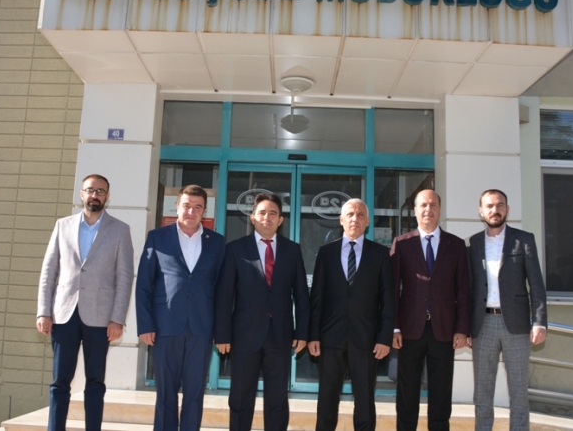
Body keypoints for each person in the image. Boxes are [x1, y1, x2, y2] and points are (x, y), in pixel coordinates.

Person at [36, 174, 134, 431]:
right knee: (60, 382)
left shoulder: (120, 230)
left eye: (100, 191)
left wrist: (117, 318)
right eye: (90, 190)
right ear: (82, 194)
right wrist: (43, 312)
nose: (95, 195)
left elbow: (124, 278)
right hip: (63, 315)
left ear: (107, 197)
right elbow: (49, 272)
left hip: (100, 318)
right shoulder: (63, 226)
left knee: (95, 383)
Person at [214, 192, 310, 431]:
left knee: (277, 399)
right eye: (262, 212)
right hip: (244, 336)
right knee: (240, 397)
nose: (267, 217)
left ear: (280, 220)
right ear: (253, 217)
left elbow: (301, 294)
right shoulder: (235, 249)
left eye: (273, 213)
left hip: (280, 335)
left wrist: (302, 332)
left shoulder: (292, 250)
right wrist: (222, 333)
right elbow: (224, 295)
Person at [135, 185, 226, 431]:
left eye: (197, 207)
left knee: (195, 393)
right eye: (186, 205)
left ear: (204, 211)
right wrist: (145, 324)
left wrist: (220, 329)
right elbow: (143, 284)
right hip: (164, 326)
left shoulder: (217, 242)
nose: (191, 211)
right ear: (177, 206)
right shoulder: (157, 237)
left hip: (201, 328)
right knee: (166, 392)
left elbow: (222, 290)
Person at [308, 199, 395, 431]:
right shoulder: (326, 253)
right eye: (350, 214)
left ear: (367, 221)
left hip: (366, 339)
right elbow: (317, 298)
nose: (355, 219)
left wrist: (385, 337)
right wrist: (313, 335)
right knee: (327, 399)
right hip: (330, 338)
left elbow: (388, 299)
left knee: (365, 399)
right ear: (341, 220)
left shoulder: (380, 254)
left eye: (360, 215)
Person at [466, 189, 547, 431]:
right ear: (481, 211)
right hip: (482, 325)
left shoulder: (524, 240)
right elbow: (468, 288)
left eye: (500, 205)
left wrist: (539, 322)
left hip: (517, 325)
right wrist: (466, 326)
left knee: (519, 393)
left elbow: (536, 284)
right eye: (489, 206)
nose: (495, 210)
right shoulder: (472, 243)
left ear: (507, 209)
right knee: (482, 393)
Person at [391, 189, 470, 431]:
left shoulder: (456, 245)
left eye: (433, 205)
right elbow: (392, 290)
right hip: (409, 330)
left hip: (444, 331)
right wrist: (394, 327)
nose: (428, 209)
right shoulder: (401, 244)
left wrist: (462, 329)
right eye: (423, 205)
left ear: (440, 209)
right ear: (415, 210)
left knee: (441, 394)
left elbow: (463, 290)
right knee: (407, 393)